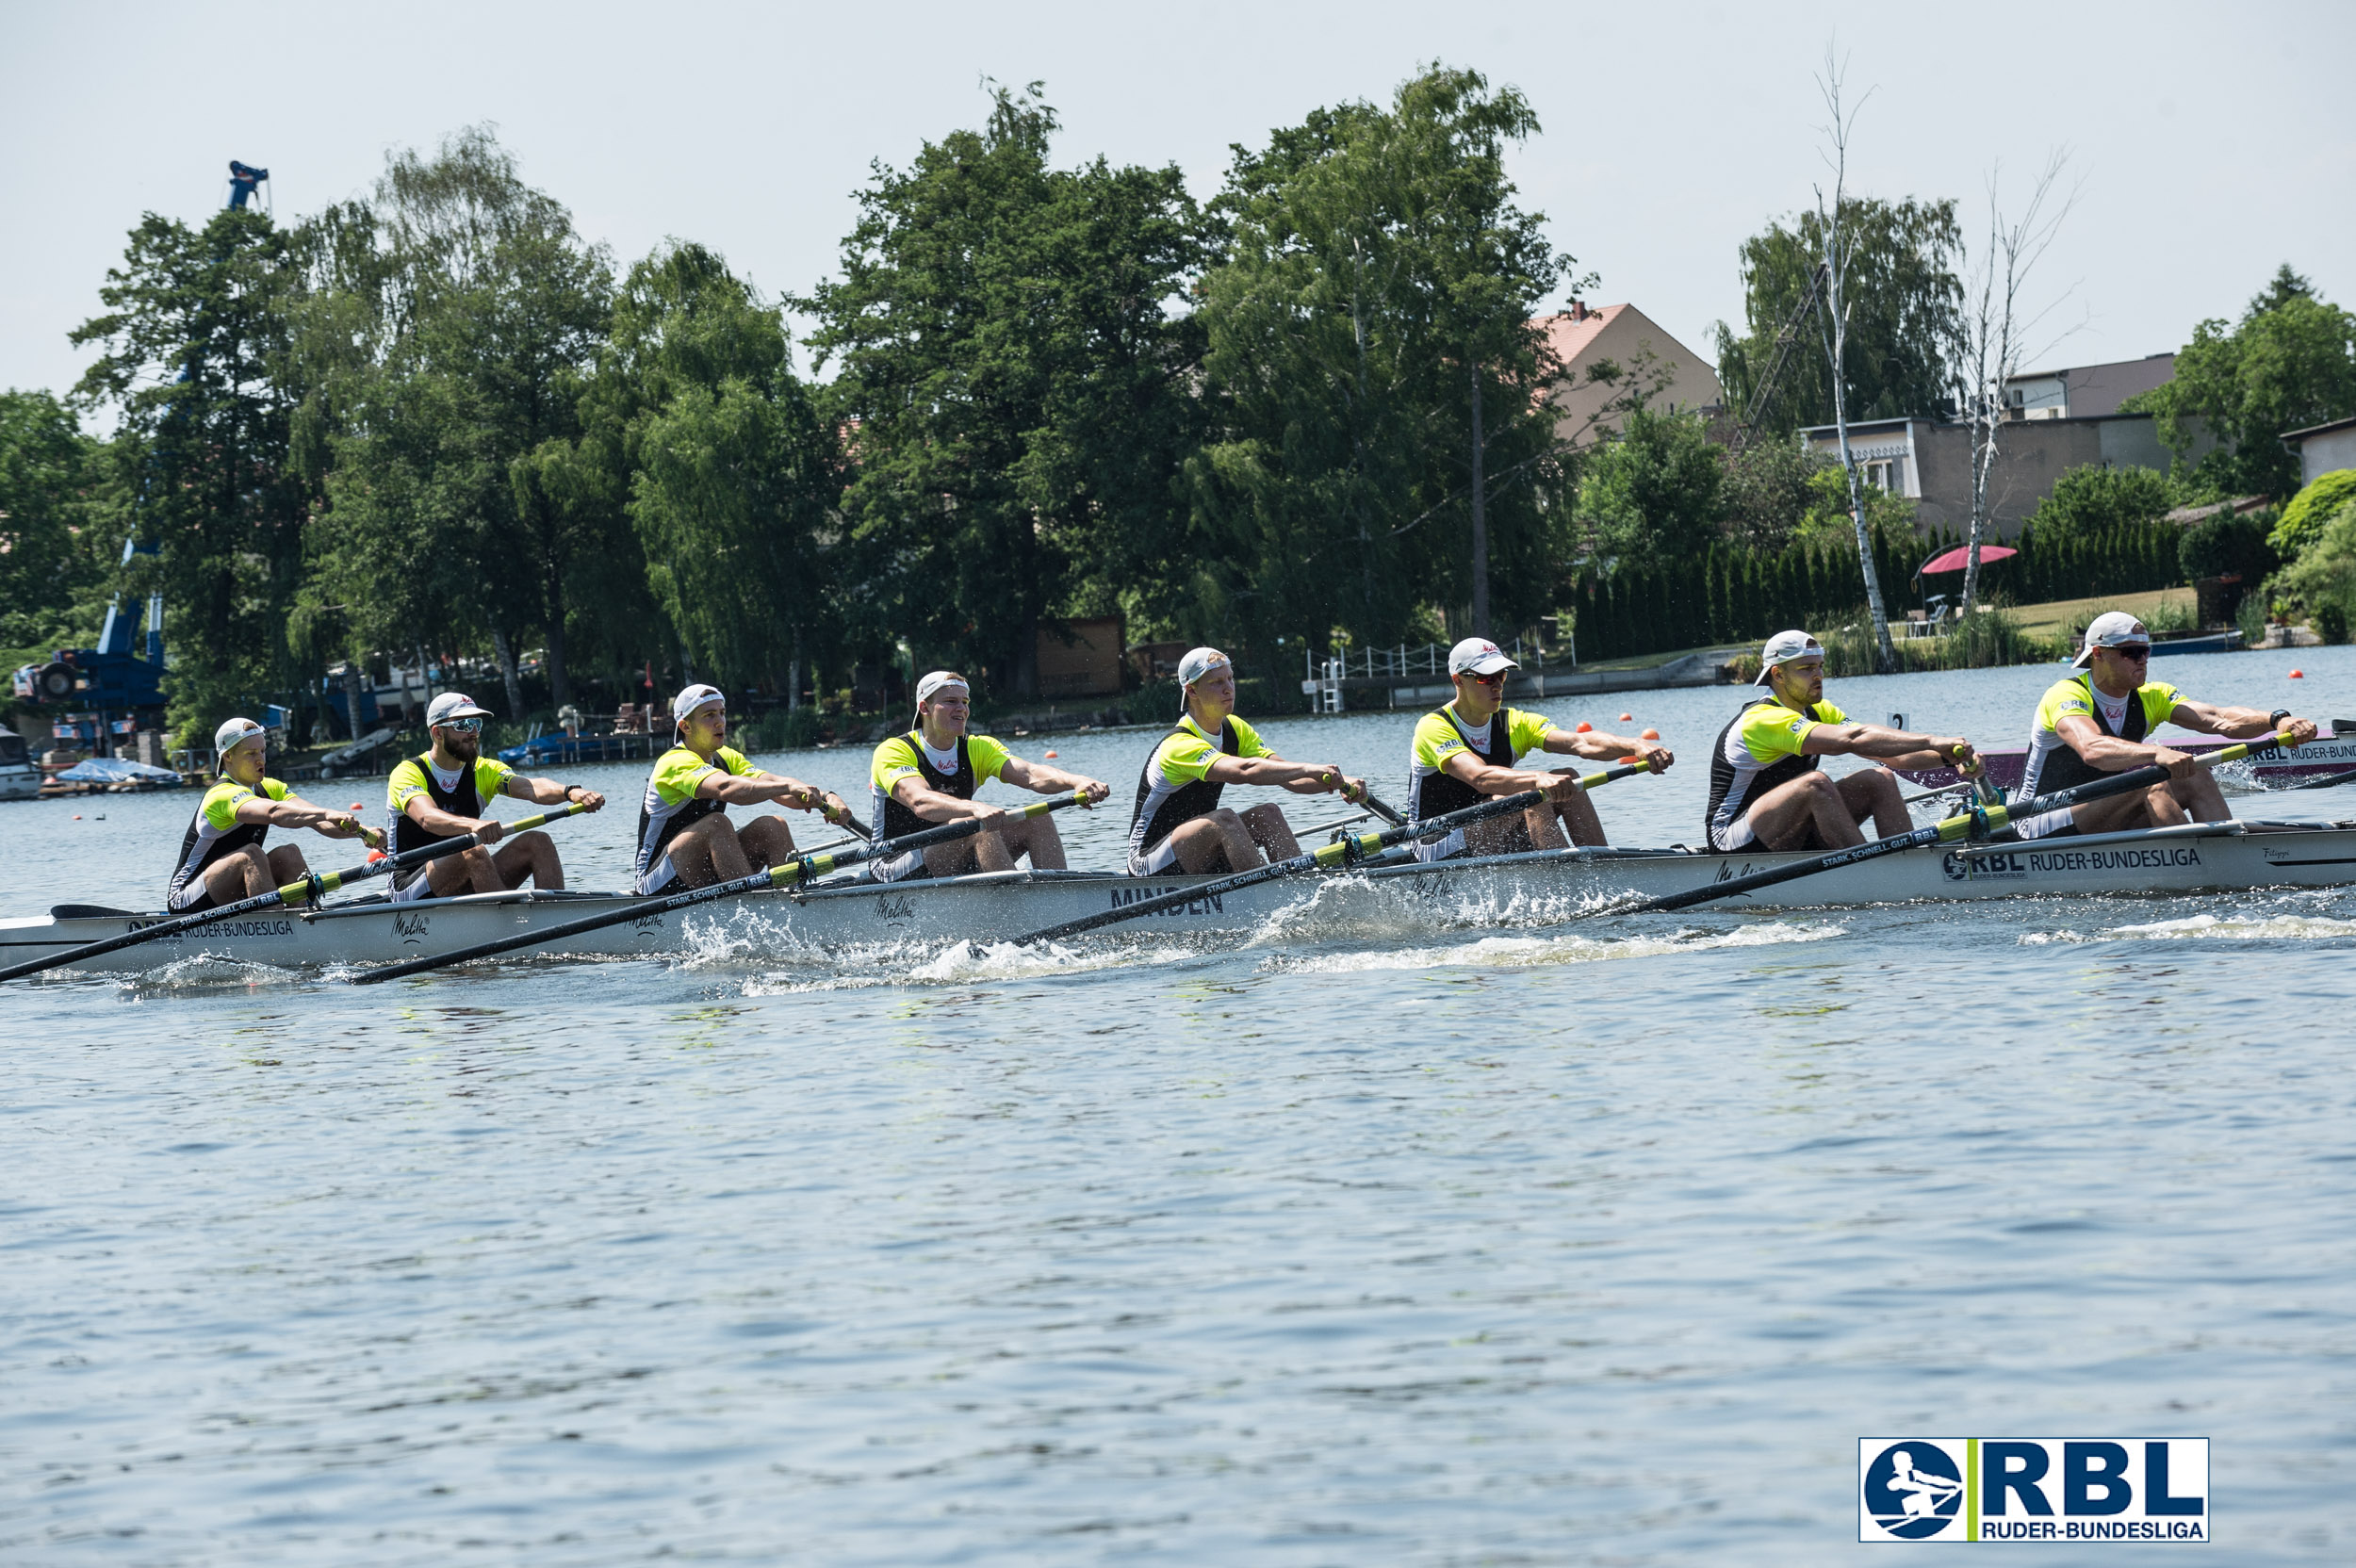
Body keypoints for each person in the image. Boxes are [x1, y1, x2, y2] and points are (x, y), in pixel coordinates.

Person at [2012, 611, 2317, 839]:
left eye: (2146, 651)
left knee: (2196, 775)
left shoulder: (2150, 696)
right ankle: (2199, 867)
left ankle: (2227, 852)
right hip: (2038, 820)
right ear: (2098, 654)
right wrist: (2155, 754)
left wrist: (2278, 720)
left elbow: (2219, 719)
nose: (2142, 660)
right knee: (2151, 779)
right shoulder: (2066, 694)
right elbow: (2092, 749)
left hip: (2100, 812)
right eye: (2131, 653)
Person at [1707, 629, 1976, 853]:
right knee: (1815, 784)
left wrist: (1949, 759)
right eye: (1806, 669)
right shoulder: (1761, 719)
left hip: (1790, 828)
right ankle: (1875, 874)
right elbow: (1853, 739)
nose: (1818, 676)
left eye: (1820, 667)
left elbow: (1890, 755)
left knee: (1880, 778)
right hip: (1733, 838)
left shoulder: (1820, 710)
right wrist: (1931, 739)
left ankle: (1905, 865)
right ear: (1777, 675)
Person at [1406, 637, 1675, 860]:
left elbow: (1581, 742)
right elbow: (1479, 777)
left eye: (1501, 675)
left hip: (1488, 826)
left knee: (1570, 780)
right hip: (1435, 840)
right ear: (1458, 680)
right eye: (1486, 678)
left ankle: (1604, 868)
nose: (1498, 685)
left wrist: (1636, 745)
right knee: (1533, 791)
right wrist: (1537, 779)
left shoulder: (1514, 722)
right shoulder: (1433, 726)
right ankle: (1560, 880)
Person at [1126, 646, 1366, 875]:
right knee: (1223, 820)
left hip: (1196, 847)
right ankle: (1271, 897)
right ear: (1192, 691)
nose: (1229, 688)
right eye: (1217, 683)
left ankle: (1298, 890)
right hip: (1148, 860)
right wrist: (1310, 767)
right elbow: (1244, 770)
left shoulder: (1235, 729)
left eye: (1230, 679)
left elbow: (1290, 779)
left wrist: (1337, 781)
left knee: (1268, 814)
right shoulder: (1177, 745)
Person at [865, 671, 1111, 882]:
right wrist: (975, 808)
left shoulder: (977, 747)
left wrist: (1076, 781)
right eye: (950, 701)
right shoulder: (893, 751)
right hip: (893, 862)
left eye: (965, 702)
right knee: (974, 824)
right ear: (925, 708)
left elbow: (1030, 774)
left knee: (1038, 818)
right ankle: (1017, 907)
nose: (961, 708)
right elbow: (920, 801)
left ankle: (1057, 899)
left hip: (952, 847)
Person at [387, 692, 606, 901]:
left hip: (465, 873)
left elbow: (531, 788)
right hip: (409, 886)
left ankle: (554, 919)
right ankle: (508, 926)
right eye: (463, 725)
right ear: (438, 732)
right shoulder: (408, 772)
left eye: (477, 724)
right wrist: (473, 826)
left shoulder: (482, 770)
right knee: (472, 848)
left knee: (539, 842)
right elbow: (427, 818)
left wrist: (571, 792)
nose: (473, 732)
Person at [636, 683, 850, 894]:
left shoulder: (726, 757)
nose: (720, 722)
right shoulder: (673, 762)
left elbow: (774, 785)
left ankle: (792, 902)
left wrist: (826, 797)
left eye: (722, 713)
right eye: (709, 715)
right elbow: (728, 788)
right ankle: (754, 913)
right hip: (656, 882)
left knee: (773, 826)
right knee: (717, 824)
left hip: (702, 871)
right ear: (686, 727)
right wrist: (788, 786)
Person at [167, 717, 381, 912]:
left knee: (289, 853)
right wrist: (326, 812)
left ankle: (309, 923)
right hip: (187, 898)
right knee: (251, 854)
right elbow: (275, 813)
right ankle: (279, 929)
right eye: (251, 754)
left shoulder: (270, 787)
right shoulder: (220, 794)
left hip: (230, 889)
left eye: (262, 751)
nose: (260, 760)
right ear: (228, 756)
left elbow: (319, 821)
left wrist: (361, 832)